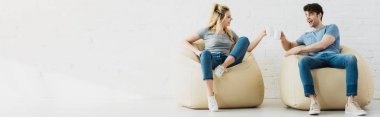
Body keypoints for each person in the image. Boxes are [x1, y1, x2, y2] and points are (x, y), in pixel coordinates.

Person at [280, 3, 366, 116]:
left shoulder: (331, 27)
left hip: (333, 56)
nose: (307, 17)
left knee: (351, 58)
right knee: (303, 61)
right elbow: (290, 47)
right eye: (306, 15)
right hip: (316, 59)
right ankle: (313, 101)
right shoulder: (305, 35)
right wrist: (283, 39)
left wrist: (300, 50)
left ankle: (351, 103)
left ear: (319, 15)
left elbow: (323, 44)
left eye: (310, 14)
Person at [183, 3, 267, 112]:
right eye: (228, 16)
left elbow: (247, 48)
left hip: (228, 60)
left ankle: (222, 67)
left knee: (244, 39)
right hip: (212, 59)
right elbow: (184, 41)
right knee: (205, 53)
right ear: (220, 18)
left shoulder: (230, 33)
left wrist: (262, 34)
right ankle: (210, 97)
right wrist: (197, 52)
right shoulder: (206, 30)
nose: (231, 19)